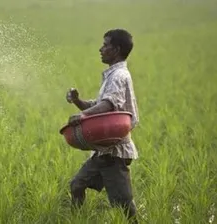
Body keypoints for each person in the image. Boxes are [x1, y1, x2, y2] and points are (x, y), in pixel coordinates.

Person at [66, 29, 140, 224]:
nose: (101, 49)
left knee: (124, 206)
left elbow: (108, 105)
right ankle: (77, 220)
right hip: (103, 152)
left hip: (115, 154)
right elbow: (100, 105)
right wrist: (78, 101)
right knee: (76, 185)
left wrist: (82, 115)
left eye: (105, 45)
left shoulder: (118, 75)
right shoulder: (112, 75)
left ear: (116, 50)